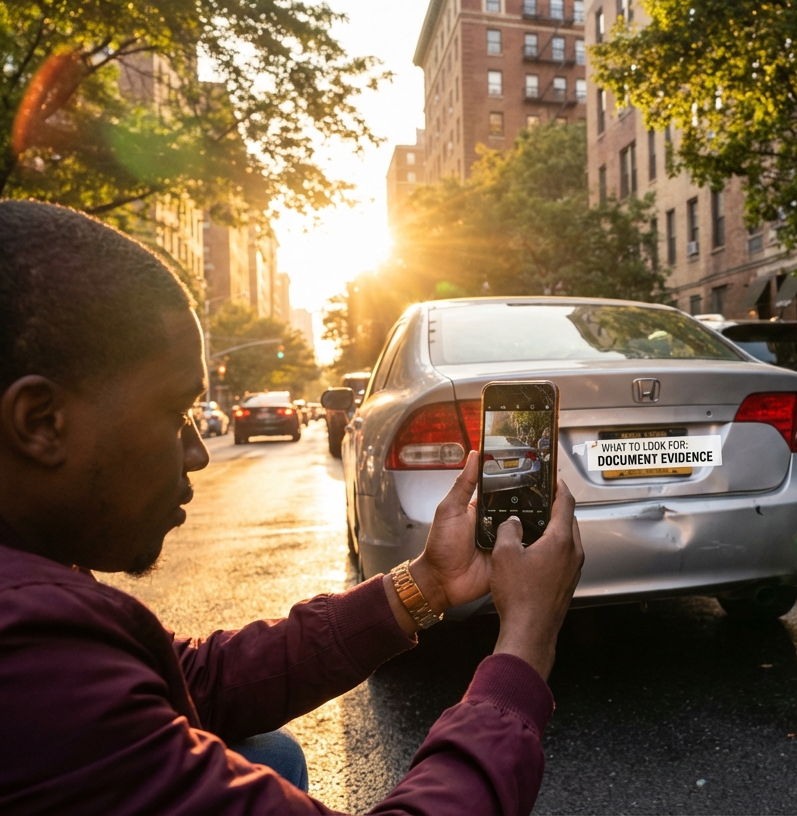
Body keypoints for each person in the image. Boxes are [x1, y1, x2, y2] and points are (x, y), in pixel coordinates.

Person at [0, 200, 585, 814]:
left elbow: (199, 685)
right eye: (176, 414)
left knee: (268, 755)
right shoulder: (30, 657)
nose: (198, 453)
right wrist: (525, 643)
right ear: (40, 422)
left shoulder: (41, 579)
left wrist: (428, 584)